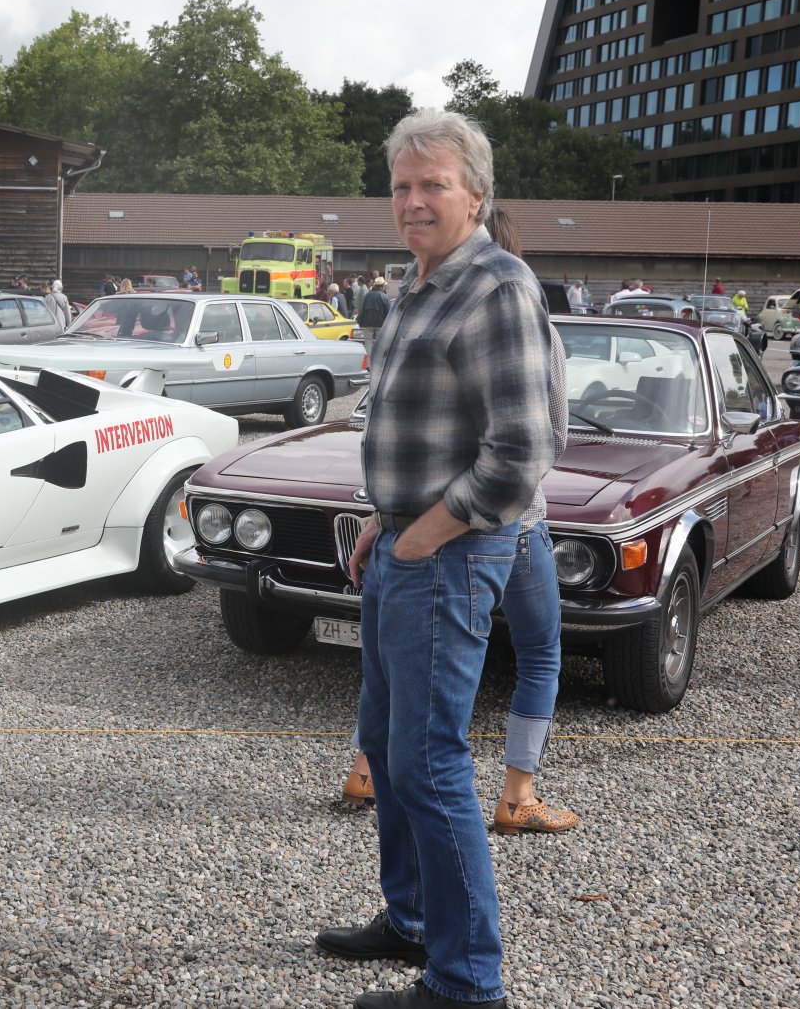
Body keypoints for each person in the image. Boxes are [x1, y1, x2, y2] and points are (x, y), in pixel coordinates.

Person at [314, 110, 558, 1009]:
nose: (413, 201)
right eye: (401, 186)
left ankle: (466, 982)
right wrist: (384, 519)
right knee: (386, 746)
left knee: (427, 760)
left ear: (476, 195)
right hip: (403, 538)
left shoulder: (496, 286)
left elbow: (523, 451)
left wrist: (426, 530)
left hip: (450, 552)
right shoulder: (418, 283)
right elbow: (416, 426)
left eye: (433, 185)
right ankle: (412, 917)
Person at [343, 204, 577, 839]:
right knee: (538, 653)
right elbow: (548, 439)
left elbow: (412, 434)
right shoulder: (535, 329)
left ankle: (365, 768)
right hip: (511, 525)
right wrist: (410, 529)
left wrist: (401, 523)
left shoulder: (451, 305)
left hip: (434, 527)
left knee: (397, 669)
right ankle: (518, 793)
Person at [355, 276, 390, 356]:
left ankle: (369, 361)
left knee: (368, 343)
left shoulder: (367, 295)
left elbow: (363, 309)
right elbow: (388, 313)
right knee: (380, 343)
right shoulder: (385, 297)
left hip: (367, 324)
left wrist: (360, 321)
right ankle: (377, 360)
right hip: (381, 324)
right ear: (382, 286)